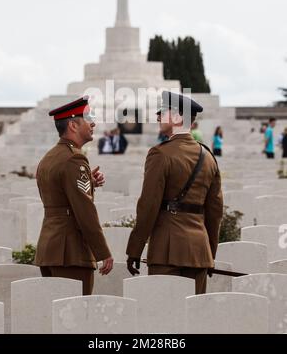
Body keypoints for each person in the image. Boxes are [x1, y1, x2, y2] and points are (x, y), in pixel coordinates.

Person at [126, 91, 223, 294]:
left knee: (164, 317)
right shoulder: (208, 157)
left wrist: (135, 250)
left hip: (166, 250)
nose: (158, 116)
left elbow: (148, 206)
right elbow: (215, 212)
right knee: (192, 319)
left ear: (178, 117)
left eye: (163, 112)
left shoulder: (160, 154)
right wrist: (210, 254)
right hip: (199, 252)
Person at [34, 96, 113, 295]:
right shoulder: (74, 159)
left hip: (50, 248)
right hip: (70, 252)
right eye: (88, 118)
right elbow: (84, 210)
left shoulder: (50, 157)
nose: (93, 122)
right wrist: (103, 253)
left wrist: (90, 183)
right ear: (73, 125)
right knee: (78, 318)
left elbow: (59, 195)